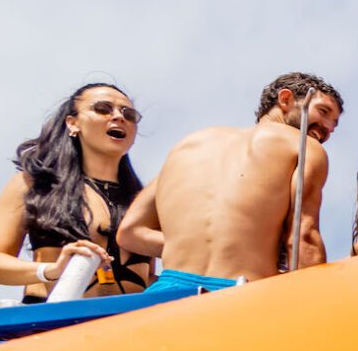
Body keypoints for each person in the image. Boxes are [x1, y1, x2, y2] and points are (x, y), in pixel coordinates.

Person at [121, 73, 341, 287]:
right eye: (323, 112)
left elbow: (130, 232)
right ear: (285, 99)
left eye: (334, 125)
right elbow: (304, 236)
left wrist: (191, 243)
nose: (328, 129)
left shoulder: (191, 144)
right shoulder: (303, 146)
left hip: (168, 295)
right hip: (239, 297)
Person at [0, 83, 154, 302]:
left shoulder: (143, 198)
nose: (118, 117)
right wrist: (51, 270)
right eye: (102, 109)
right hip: (53, 325)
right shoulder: (34, 184)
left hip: (129, 326)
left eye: (129, 114)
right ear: (73, 123)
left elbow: (150, 274)